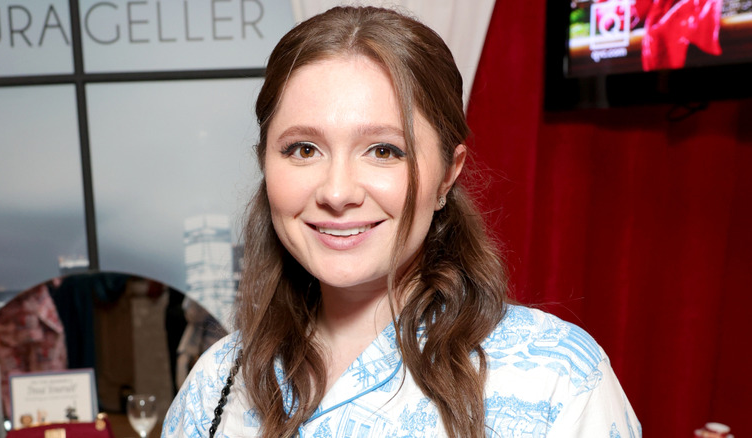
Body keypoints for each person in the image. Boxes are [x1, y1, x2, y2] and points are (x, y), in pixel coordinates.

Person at [162, 6, 641, 438]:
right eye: (303, 149)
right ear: (265, 165)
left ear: (447, 175)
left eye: (384, 151)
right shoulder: (217, 381)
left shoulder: (555, 379)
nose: (336, 192)